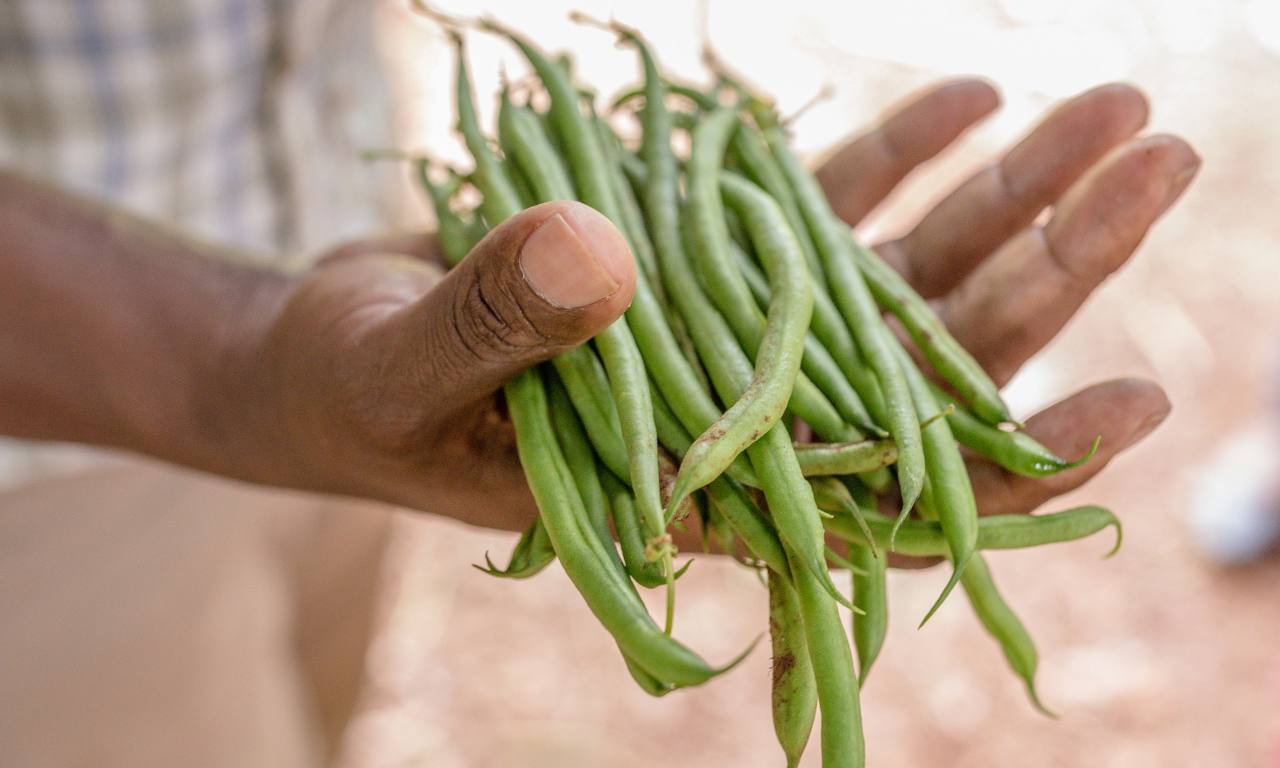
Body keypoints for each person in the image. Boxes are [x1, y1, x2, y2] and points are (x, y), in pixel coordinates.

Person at [0, 1, 1198, 765]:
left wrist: (268, 354)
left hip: (343, 299)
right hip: (54, 465)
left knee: (315, 715)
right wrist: (228, 356)